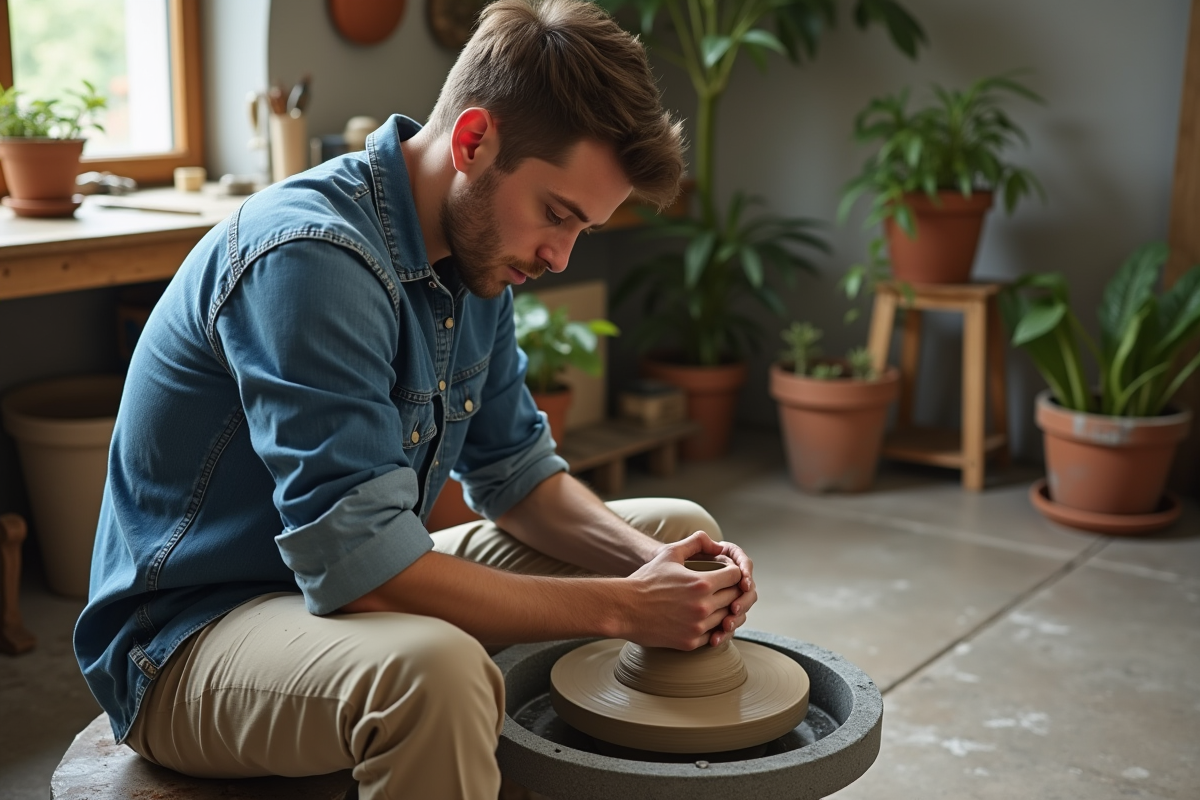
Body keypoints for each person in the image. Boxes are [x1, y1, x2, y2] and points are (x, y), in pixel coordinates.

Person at [74, 1, 759, 797]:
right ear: (474, 141)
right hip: (189, 642)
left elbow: (518, 477)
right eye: (557, 215)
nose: (558, 257)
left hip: (329, 600)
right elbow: (364, 572)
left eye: (584, 232)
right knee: (435, 674)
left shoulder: (476, 259)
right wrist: (624, 610)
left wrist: (657, 571)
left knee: (682, 531)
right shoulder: (312, 258)